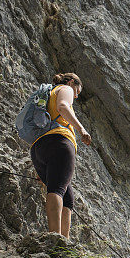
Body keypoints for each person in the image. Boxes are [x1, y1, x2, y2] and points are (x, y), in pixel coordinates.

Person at [30, 72, 92, 239]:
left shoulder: (49, 94)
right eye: (77, 92)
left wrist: (41, 169)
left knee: (68, 197)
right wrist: (81, 129)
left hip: (39, 148)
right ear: (72, 82)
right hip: (60, 142)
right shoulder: (65, 88)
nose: (76, 96)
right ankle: (55, 238)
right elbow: (63, 106)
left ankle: (64, 242)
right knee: (57, 189)